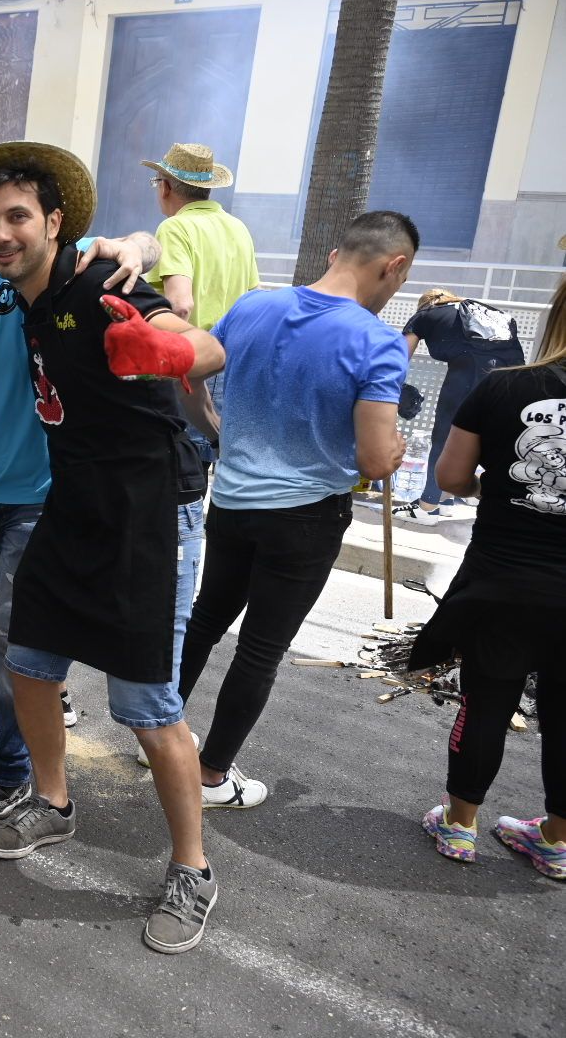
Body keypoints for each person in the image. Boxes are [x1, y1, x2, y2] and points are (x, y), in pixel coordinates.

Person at [0, 141, 224, 954]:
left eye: (17, 219)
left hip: (148, 516)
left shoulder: (101, 282)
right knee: (29, 663)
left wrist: (169, 351)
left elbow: (204, 342)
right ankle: (53, 801)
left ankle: (192, 870)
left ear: (55, 222)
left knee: (147, 707)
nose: (1, 235)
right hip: (71, 506)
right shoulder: (25, 299)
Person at [0, 169, 156, 821]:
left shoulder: (16, 277)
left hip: (42, 497)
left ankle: (11, 769)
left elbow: (128, 253)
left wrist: (137, 245)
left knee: (19, 643)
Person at [177, 211, 415, 809]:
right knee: (260, 648)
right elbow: (376, 458)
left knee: (206, 619)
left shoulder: (253, 306)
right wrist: (394, 450)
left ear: (336, 252)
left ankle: (156, 733)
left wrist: (221, 435)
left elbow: (188, 374)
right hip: (307, 515)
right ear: (396, 266)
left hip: (230, 498)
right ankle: (210, 777)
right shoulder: (378, 340)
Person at [415, 274, 566, 881]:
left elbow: (451, 478)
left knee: (487, 699)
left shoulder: (503, 389)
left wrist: (505, 492)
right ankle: (554, 840)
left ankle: (460, 825)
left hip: (503, 578)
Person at [143, 143, 260, 466]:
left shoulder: (175, 227)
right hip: (232, 364)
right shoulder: (239, 229)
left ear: (166, 187)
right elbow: (254, 301)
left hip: (191, 368)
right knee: (212, 461)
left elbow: (179, 305)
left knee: (180, 471)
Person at [400, 288, 526, 517]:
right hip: (513, 378)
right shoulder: (482, 311)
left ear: (426, 304)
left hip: (470, 371)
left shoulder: (426, 313)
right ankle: (448, 498)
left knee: (445, 437)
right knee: (483, 440)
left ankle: (427, 507)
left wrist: (396, 389)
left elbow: (399, 358)